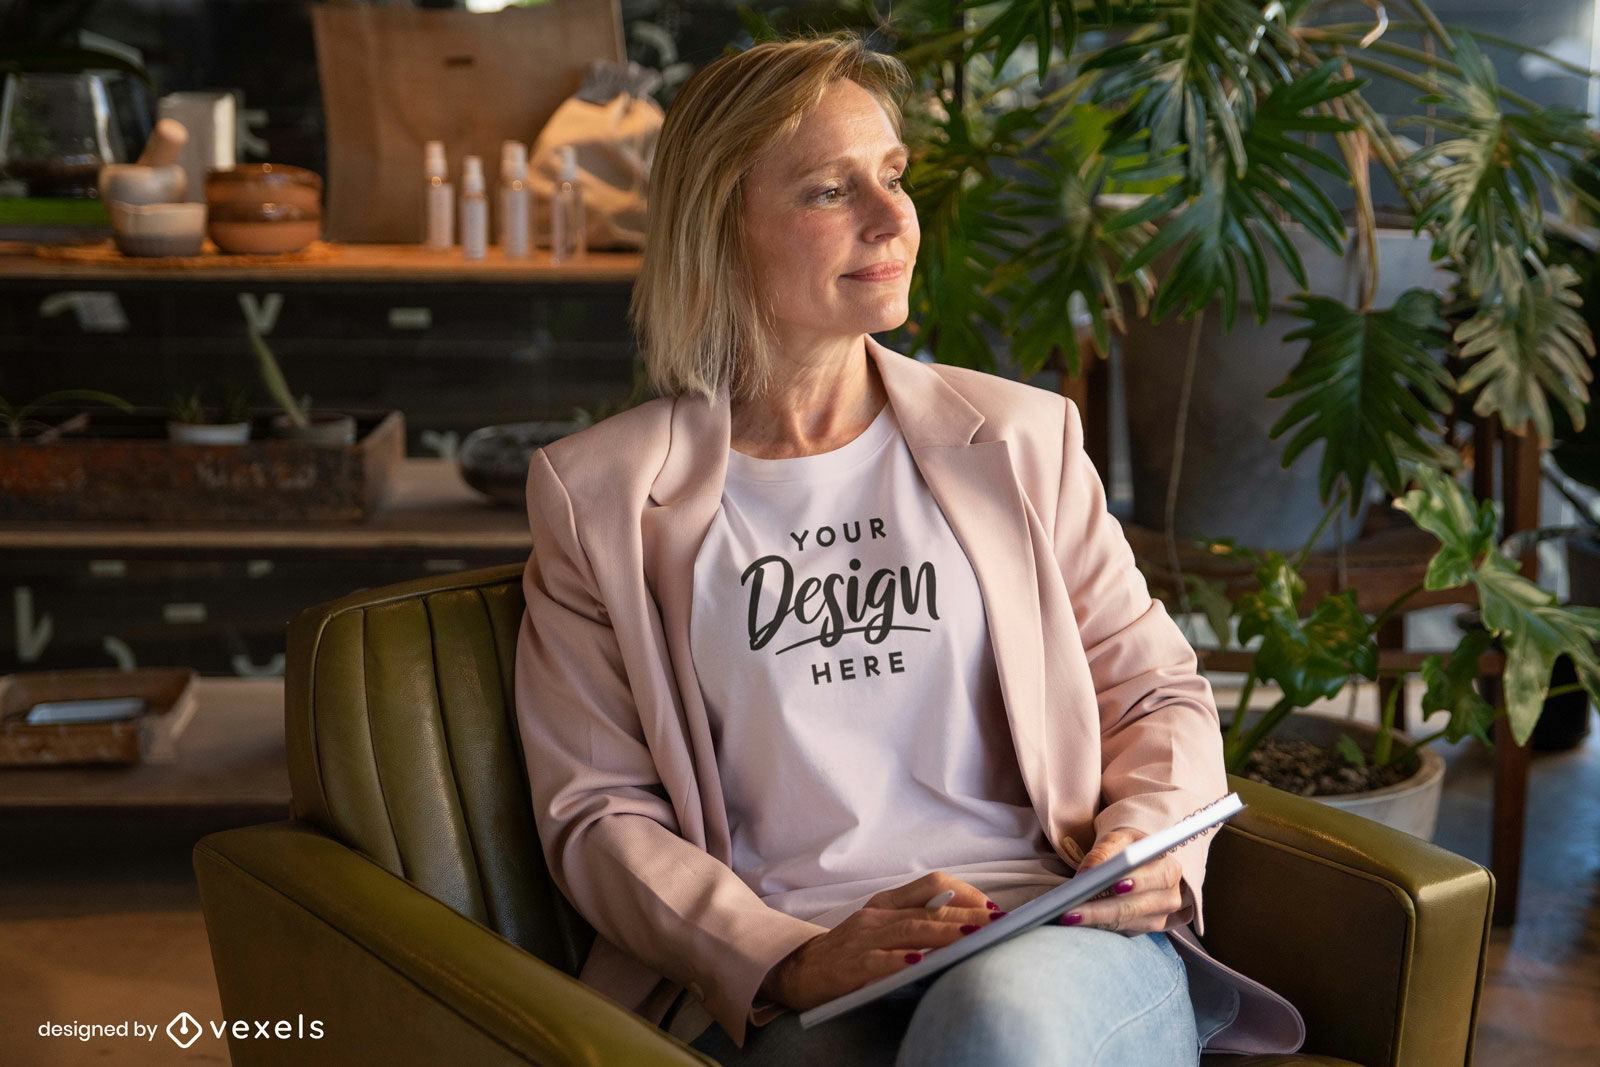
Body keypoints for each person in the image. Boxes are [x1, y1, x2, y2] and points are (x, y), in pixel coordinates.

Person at [513, 32, 1303, 1065]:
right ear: (723, 228)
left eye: (892, 176)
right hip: (806, 968)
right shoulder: (600, 497)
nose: (893, 219)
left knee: (993, 1025)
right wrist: (788, 958)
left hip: (1047, 930)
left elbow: (1154, 692)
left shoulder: (1020, 439)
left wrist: (1149, 841)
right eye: (830, 190)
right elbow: (596, 807)